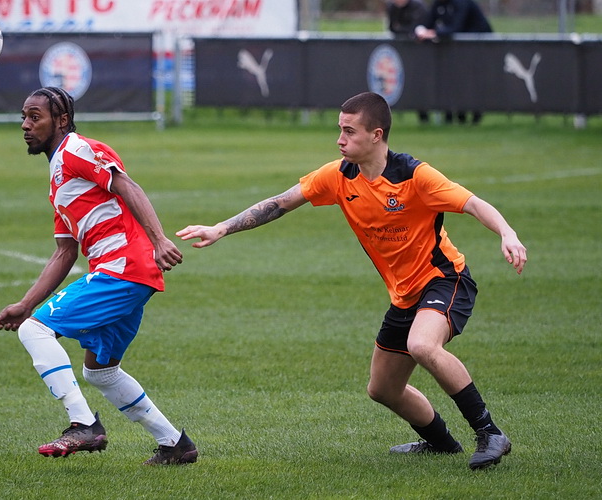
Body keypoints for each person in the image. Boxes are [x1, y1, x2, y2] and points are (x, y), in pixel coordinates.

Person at [177, 92, 526, 471]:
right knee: (382, 390)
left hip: (444, 279)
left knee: (422, 345)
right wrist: (222, 228)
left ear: (376, 135)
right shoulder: (339, 175)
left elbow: (474, 203)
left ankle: (490, 433)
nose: (339, 140)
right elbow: (281, 202)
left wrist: (507, 233)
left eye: (349, 131)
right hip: (403, 295)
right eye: (339, 130)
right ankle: (442, 445)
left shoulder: (413, 175)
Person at [0, 87, 198, 466]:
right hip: (129, 274)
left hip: (124, 268)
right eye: (23, 116)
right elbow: (64, 252)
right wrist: (25, 304)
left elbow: (126, 184)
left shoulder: (77, 149)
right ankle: (175, 445)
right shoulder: (58, 180)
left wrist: (159, 239)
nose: (25, 125)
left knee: (34, 331)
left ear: (62, 120)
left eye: (35, 117)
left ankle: (83, 424)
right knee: (101, 372)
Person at [414, 0, 493, 124]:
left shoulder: (462, 3)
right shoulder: (438, 4)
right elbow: (427, 23)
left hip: (479, 48)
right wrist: (420, 31)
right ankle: (454, 116)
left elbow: (456, 27)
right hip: (459, 50)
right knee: (452, 79)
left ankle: (474, 116)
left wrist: (433, 33)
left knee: (470, 82)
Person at [385, 0, 430, 124]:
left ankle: (427, 118)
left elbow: (417, 29)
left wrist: (405, 29)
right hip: (402, 55)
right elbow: (393, 28)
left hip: (421, 56)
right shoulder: (392, 7)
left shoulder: (418, 7)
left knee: (422, 85)